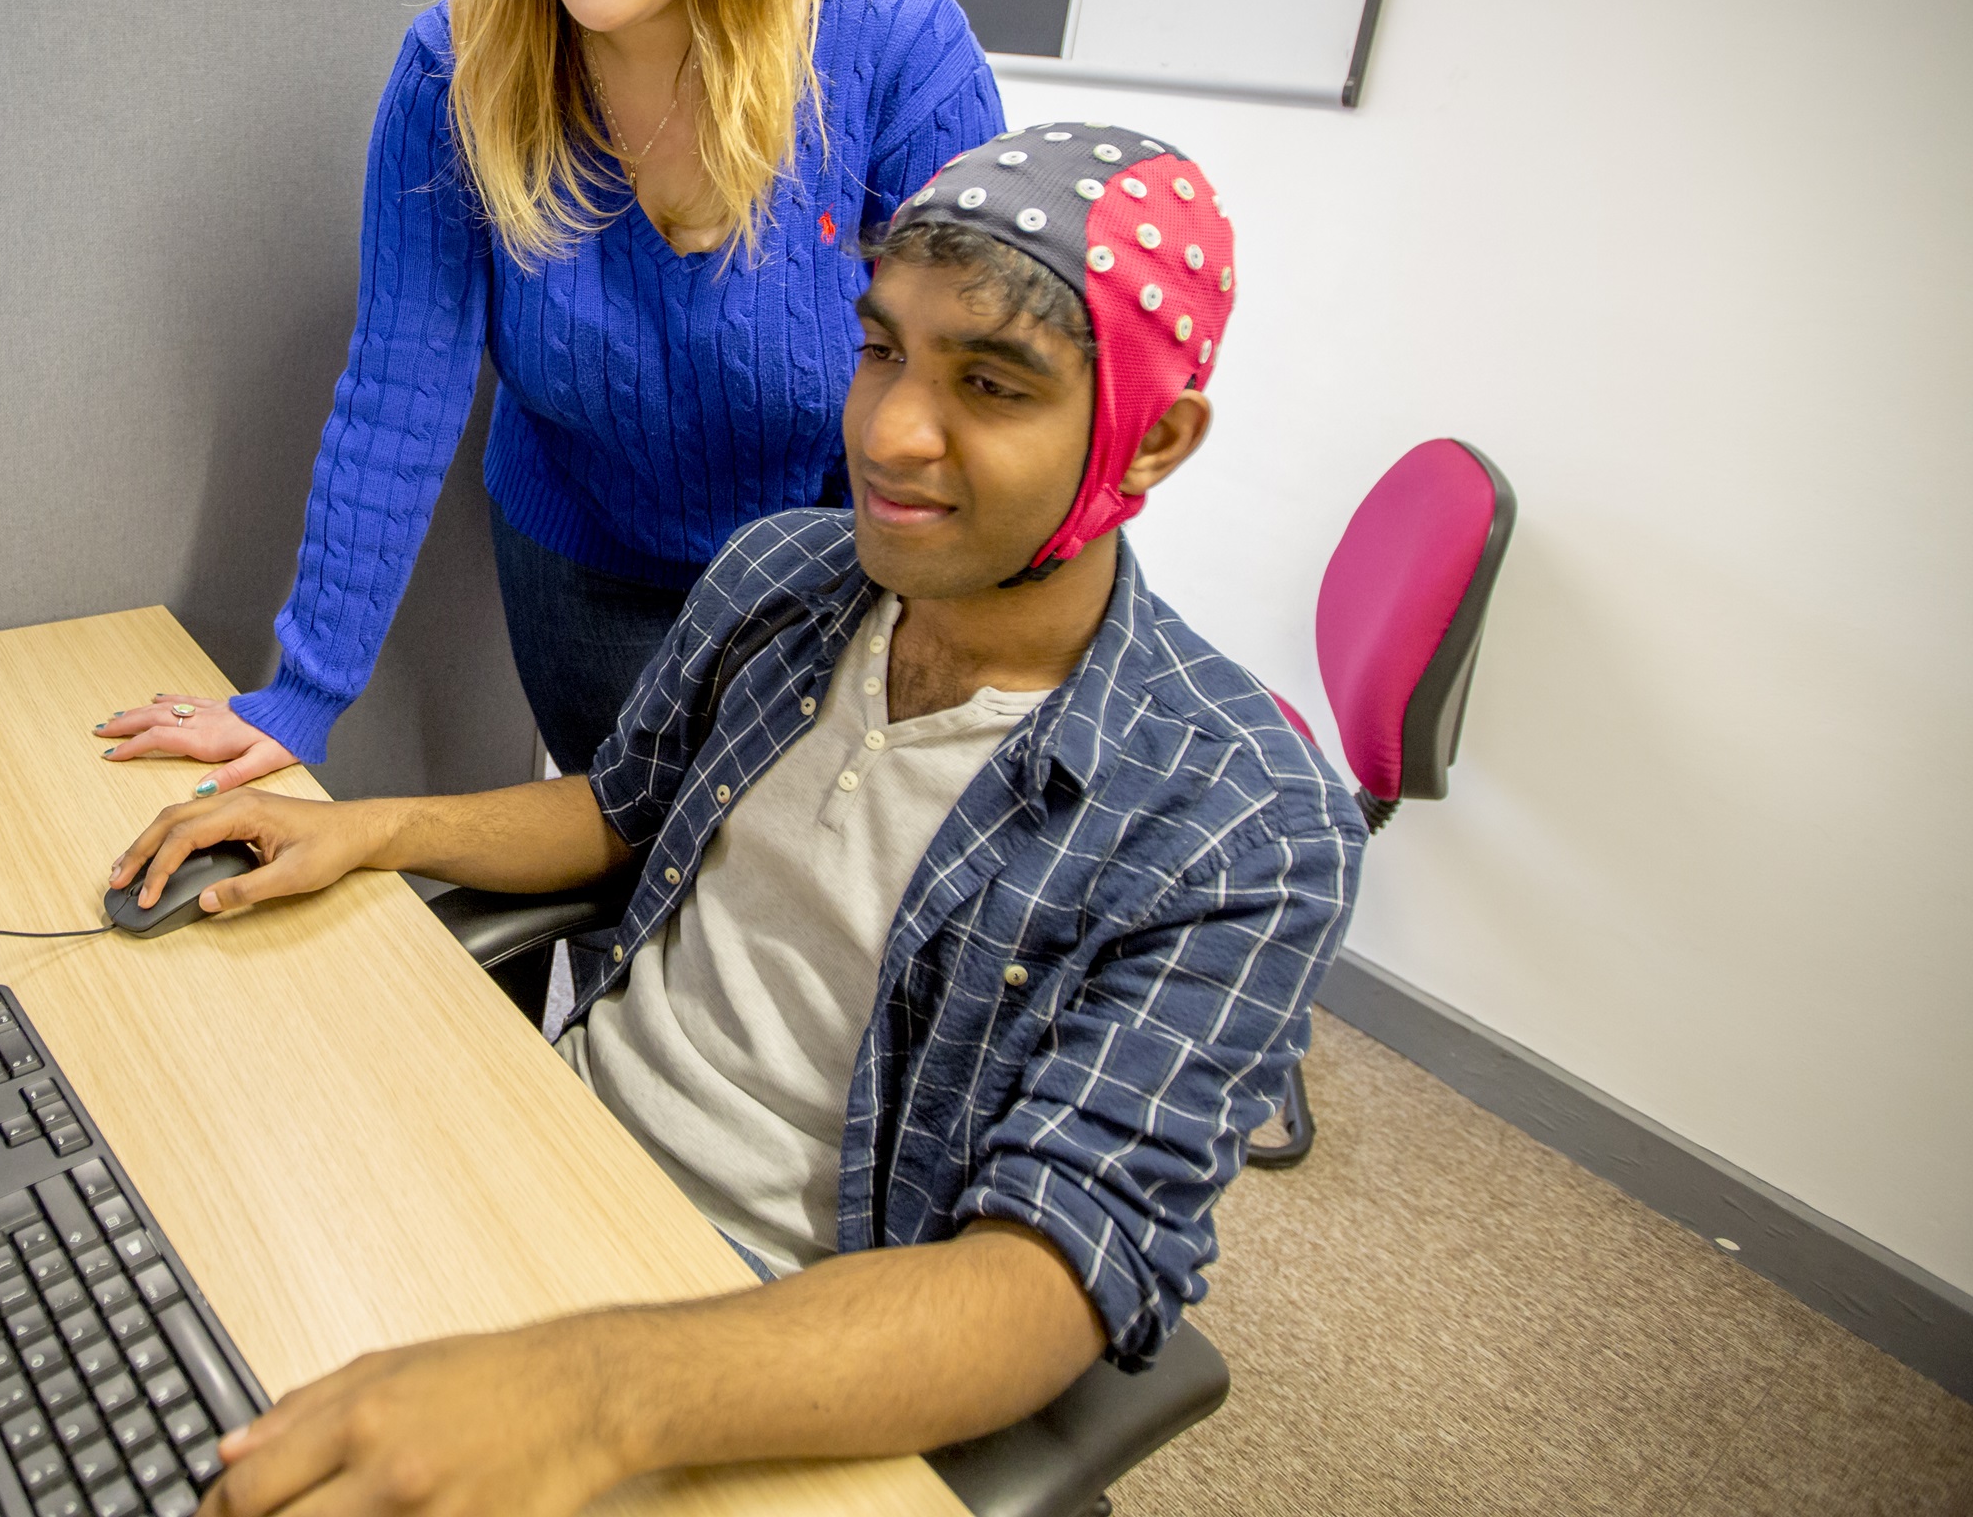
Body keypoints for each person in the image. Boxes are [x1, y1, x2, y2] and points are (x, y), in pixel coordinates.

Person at [110, 125, 1363, 1516]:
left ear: (1157, 436)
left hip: (783, 1345)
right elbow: (622, 809)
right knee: (155, 1300)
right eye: (881, 349)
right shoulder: (786, 577)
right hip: (555, 1144)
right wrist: (374, 829)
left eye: (992, 387)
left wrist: (586, 1397)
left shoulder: (1242, 819)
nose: (888, 432)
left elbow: (1049, 1275)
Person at [94, 0, 1002, 788]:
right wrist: (301, 695)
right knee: (621, 888)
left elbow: (981, 403)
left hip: (838, 584)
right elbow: (399, 391)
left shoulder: (896, 51)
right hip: (587, 578)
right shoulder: (456, 72)